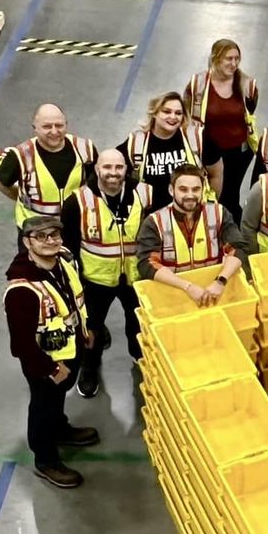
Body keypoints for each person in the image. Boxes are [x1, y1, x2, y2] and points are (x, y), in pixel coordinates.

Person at [4, 215, 100, 489]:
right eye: (41, 237)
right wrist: (51, 368)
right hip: (45, 363)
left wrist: (85, 331)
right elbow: (21, 345)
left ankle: (60, 428)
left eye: (55, 235)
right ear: (27, 242)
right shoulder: (22, 290)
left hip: (69, 348)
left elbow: (73, 300)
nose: (50, 241)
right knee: (43, 407)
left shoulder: (63, 262)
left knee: (56, 401)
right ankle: (45, 460)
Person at [59, 149, 152, 395]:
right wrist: (74, 283)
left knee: (138, 322)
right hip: (95, 280)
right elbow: (68, 247)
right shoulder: (77, 202)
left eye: (119, 167)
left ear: (126, 169)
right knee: (91, 327)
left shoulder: (145, 194)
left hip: (134, 278)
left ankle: (139, 356)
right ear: (97, 169)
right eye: (107, 167)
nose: (113, 173)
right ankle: (89, 367)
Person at [135, 165, 247, 300]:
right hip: (172, 295)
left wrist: (220, 281)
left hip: (212, 291)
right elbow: (147, 264)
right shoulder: (154, 222)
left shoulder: (219, 213)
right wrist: (187, 287)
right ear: (171, 190)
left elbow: (238, 248)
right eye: (183, 189)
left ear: (203, 189)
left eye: (196, 189)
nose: (190, 195)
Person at [185, 38, 260, 219]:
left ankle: (230, 232)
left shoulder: (247, 85)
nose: (233, 64)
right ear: (215, 58)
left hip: (238, 153)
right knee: (209, 193)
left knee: (229, 195)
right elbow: (186, 114)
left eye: (237, 59)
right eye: (228, 59)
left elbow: (250, 110)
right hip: (208, 152)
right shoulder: (198, 84)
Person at [0, 104, 98, 226]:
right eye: (47, 126)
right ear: (35, 128)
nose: (54, 131)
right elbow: (1, 183)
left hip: (75, 226)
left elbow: (97, 183)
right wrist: (25, 198)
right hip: (36, 232)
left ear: (66, 125)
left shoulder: (85, 149)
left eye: (59, 125)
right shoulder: (20, 155)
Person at [120, 92, 221, 210]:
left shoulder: (197, 138)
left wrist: (209, 207)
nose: (173, 117)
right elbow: (113, 172)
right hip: (152, 217)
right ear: (154, 113)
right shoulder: (137, 143)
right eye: (166, 111)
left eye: (178, 113)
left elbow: (216, 174)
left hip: (192, 214)